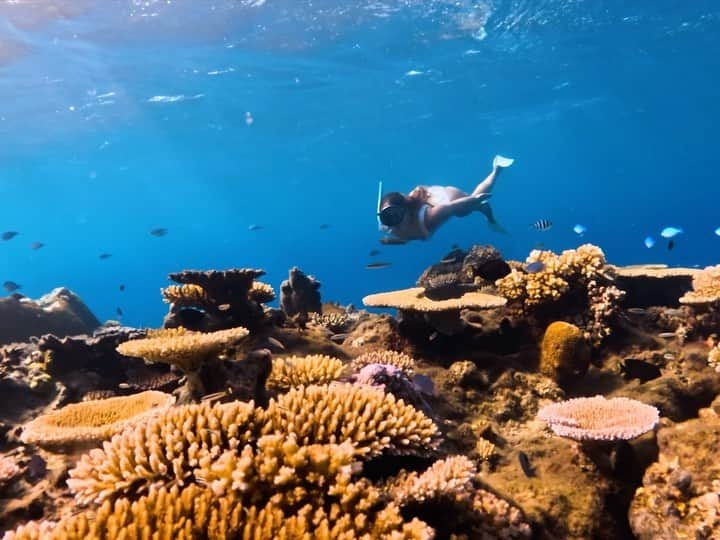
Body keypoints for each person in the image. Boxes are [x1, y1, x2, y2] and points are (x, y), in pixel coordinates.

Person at [377, 155, 514, 243]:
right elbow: (405, 236)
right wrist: (390, 241)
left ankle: (497, 169)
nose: (394, 223)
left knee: (465, 211)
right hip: (427, 199)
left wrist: (475, 200)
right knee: (474, 208)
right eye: (388, 217)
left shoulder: (430, 217)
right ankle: (485, 210)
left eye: (397, 215)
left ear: (408, 211)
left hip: (446, 196)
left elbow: (452, 206)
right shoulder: (386, 225)